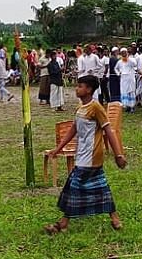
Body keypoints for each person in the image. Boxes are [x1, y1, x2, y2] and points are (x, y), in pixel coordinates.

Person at [44, 75, 127, 234]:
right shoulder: (80, 107)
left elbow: (109, 130)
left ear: (89, 89)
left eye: (80, 86)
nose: (77, 88)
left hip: (92, 155)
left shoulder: (96, 107)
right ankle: (115, 218)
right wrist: (59, 148)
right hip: (82, 154)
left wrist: (118, 155)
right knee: (99, 186)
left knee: (75, 187)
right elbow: (73, 130)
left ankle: (62, 223)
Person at [116, 48, 138, 112]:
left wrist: (128, 59)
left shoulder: (132, 59)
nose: (124, 54)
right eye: (122, 53)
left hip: (130, 78)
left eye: (125, 52)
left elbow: (134, 64)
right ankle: (127, 106)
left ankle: (132, 106)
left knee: (131, 92)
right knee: (124, 92)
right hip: (123, 79)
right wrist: (118, 73)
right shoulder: (119, 61)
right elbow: (116, 69)